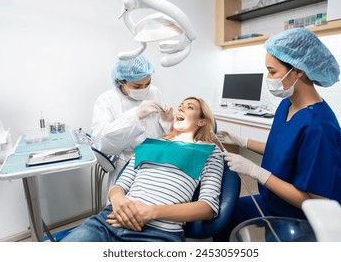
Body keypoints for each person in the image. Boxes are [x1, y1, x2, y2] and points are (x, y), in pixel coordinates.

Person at [215, 28, 341, 241]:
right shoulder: (286, 105)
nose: (268, 78)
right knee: (221, 215)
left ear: (299, 71)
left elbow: (314, 201)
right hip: (274, 201)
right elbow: (281, 151)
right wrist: (242, 141)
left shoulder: (319, 128)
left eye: (272, 72)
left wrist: (255, 171)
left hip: (299, 218)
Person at [61, 97, 224, 242]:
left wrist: (151, 212)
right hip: (109, 221)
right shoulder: (149, 144)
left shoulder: (209, 151)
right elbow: (120, 185)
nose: (181, 107)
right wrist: (118, 200)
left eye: (189, 107)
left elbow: (208, 207)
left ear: (202, 121)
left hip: (158, 233)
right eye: (180, 105)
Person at [91, 55, 174, 188]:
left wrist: (167, 121)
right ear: (120, 81)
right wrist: (135, 116)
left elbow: (165, 134)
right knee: (124, 206)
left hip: (157, 162)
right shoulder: (107, 99)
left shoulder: (154, 92)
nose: (144, 89)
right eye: (137, 86)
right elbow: (103, 141)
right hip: (127, 166)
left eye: (148, 83)